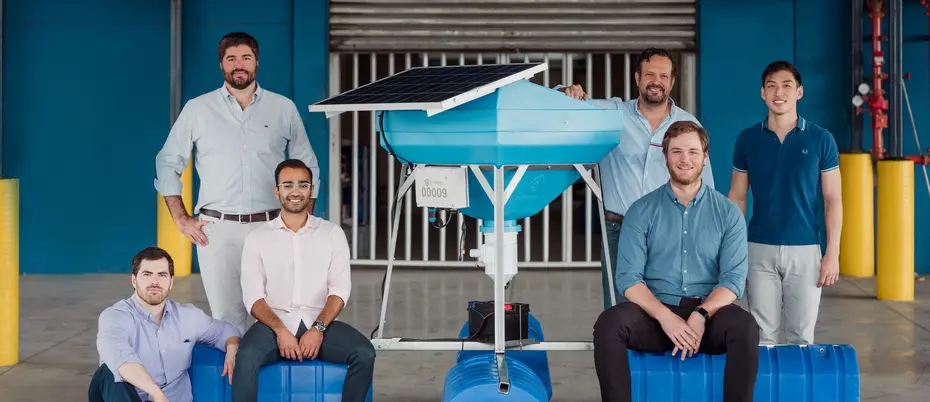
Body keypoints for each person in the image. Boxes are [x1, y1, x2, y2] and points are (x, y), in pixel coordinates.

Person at [154, 31, 321, 333]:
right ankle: (235, 381)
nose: (239, 64)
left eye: (246, 57)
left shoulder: (283, 108)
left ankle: (267, 381)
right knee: (227, 322)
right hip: (217, 232)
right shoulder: (197, 109)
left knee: (277, 317)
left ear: (257, 62)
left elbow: (306, 163)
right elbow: (167, 161)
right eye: (231, 59)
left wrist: (304, 216)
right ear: (222, 65)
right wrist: (180, 218)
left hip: (272, 227)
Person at [592, 121, 759, 402]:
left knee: (745, 327)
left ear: (705, 157)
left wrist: (701, 314)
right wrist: (665, 317)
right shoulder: (641, 210)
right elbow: (628, 279)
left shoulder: (728, 213)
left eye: (693, 152)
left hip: (707, 315)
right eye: (677, 152)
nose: (685, 159)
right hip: (655, 315)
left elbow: (732, 281)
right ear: (666, 156)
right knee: (609, 324)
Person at [558, 48, 715, 310]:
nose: (656, 81)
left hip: (673, 230)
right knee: (621, 311)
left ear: (672, 81)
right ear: (637, 78)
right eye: (649, 74)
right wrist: (566, 90)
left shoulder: (689, 124)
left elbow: (705, 188)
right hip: (619, 230)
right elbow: (561, 104)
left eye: (663, 76)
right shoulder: (611, 115)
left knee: (668, 308)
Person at [232, 159, 375, 402]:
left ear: (311, 190)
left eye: (302, 184)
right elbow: (253, 297)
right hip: (273, 323)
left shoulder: (332, 233)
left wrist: (318, 329)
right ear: (277, 191)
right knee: (245, 358)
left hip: (320, 322)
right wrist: (280, 330)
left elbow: (339, 289)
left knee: (364, 353)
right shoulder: (257, 238)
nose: (295, 191)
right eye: (288, 185)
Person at [727, 61, 843, 345]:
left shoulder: (821, 139)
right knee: (761, 337)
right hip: (758, 250)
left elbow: (833, 199)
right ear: (762, 93)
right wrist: (736, 253)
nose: (779, 92)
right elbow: (737, 197)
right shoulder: (747, 139)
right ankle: (764, 391)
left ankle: (796, 391)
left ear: (799, 92)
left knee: (801, 337)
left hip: (806, 251)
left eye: (787, 86)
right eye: (772, 86)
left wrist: (833, 253)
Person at [90, 247, 241, 402]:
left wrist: (231, 345)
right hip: (129, 397)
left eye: (162, 275)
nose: (155, 282)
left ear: (171, 281)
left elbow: (225, 330)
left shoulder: (188, 316)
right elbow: (122, 361)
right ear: (134, 280)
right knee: (109, 373)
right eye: (147, 274)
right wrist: (156, 394)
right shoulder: (115, 316)